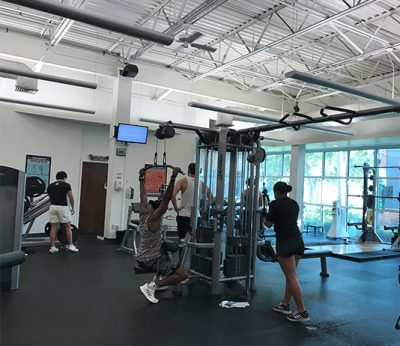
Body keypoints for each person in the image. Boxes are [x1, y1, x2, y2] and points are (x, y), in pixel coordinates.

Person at [137, 166, 188, 304]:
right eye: (161, 211)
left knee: (165, 249)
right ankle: (152, 287)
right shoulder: (153, 220)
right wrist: (173, 178)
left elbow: (143, 195)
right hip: (151, 259)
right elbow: (166, 199)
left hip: (143, 255)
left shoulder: (143, 213)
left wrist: (141, 178)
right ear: (158, 211)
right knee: (183, 274)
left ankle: (158, 280)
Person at [263, 181, 309, 322]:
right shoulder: (294, 204)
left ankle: (302, 311)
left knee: (291, 277)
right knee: (291, 275)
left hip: (285, 243)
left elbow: (268, 224)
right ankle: (285, 304)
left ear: (277, 192)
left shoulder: (275, 204)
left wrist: (263, 216)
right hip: (298, 241)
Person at [172, 163, 214, 241]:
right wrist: (203, 209)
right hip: (196, 217)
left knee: (183, 241)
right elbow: (212, 198)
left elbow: (172, 194)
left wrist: (176, 208)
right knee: (194, 240)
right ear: (198, 171)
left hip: (183, 215)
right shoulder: (202, 183)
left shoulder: (183, 181)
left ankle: (182, 253)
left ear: (188, 170)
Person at [47, 171, 78, 253]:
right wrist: (73, 207)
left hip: (52, 207)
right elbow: (71, 197)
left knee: (53, 227)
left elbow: (50, 197)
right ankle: (71, 245)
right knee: (68, 226)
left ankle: (53, 247)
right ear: (64, 177)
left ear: (56, 178)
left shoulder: (50, 186)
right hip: (63, 207)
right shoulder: (66, 185)